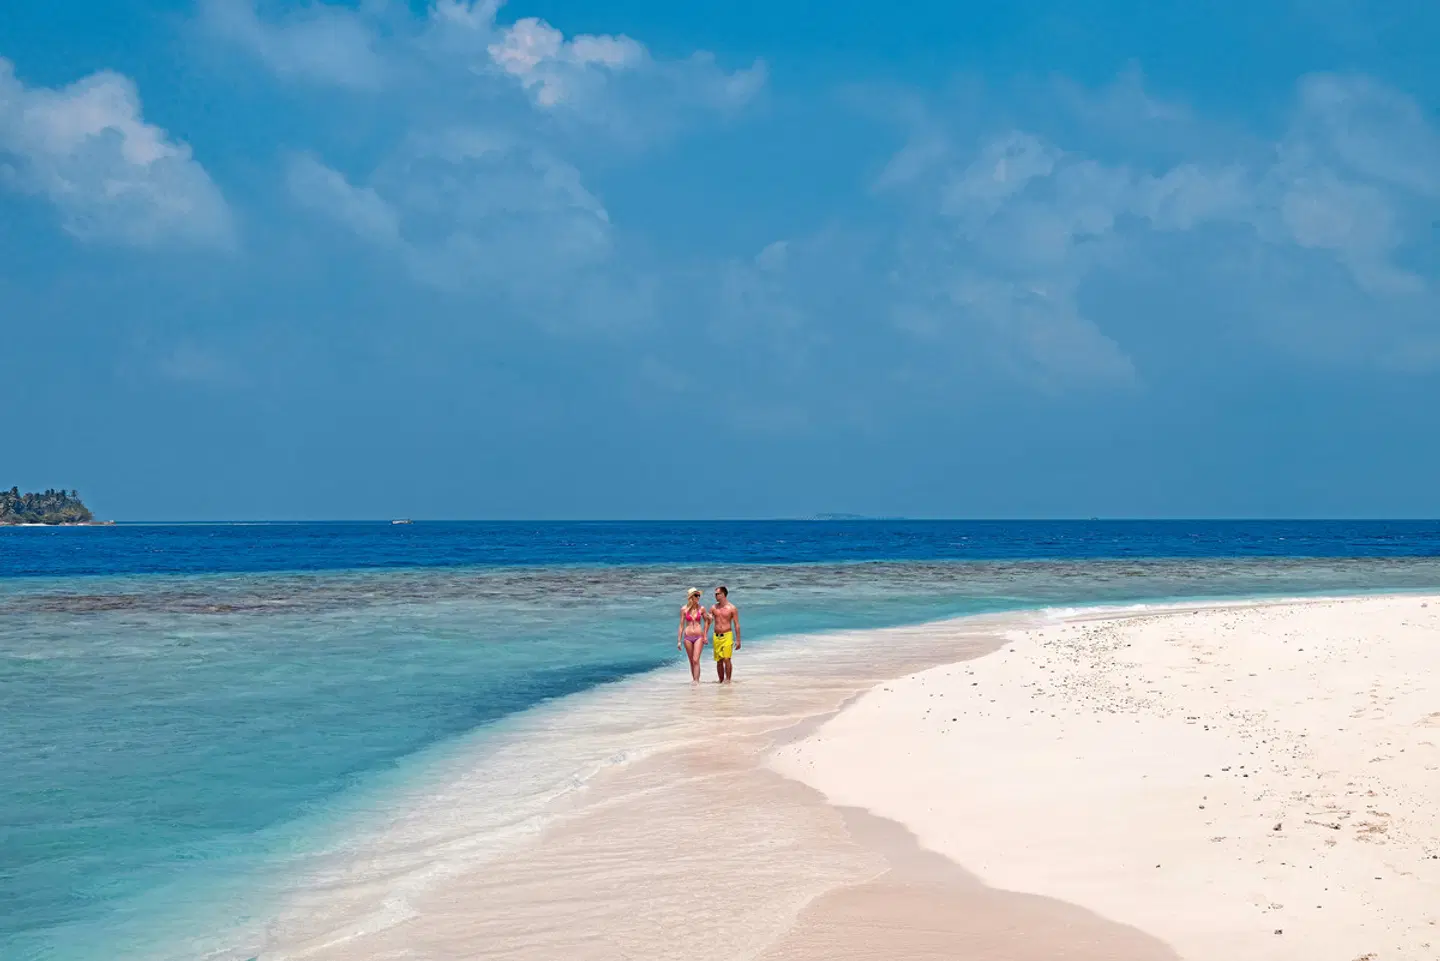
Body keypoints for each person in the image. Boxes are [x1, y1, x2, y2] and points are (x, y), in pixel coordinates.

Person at [676, 587, 710, 683]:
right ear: (691, 597)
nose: (698, 597)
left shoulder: (701, 608)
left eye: (699, 595)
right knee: (691, 661)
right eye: (696, 595)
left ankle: (697, 681)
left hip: (699, 636)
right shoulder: (684, 609)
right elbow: (681, 625)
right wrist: (679, 641)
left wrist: (705, 635)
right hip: (688, 637)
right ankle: (694, 680)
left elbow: (707, 621)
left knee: (696, 660)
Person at [709, 585, 740, 683]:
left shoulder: (732, 608)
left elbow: (736, 624)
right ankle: (721, 681)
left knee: (727, 659)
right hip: (716, 636)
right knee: (719, 661)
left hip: (727, 635)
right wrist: (704, 634)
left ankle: (728, 680)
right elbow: (708, 622)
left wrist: (738, 640)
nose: (716, 596)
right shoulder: (713, 608)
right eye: (715, 594)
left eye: (718, 594)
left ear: (723, 594)